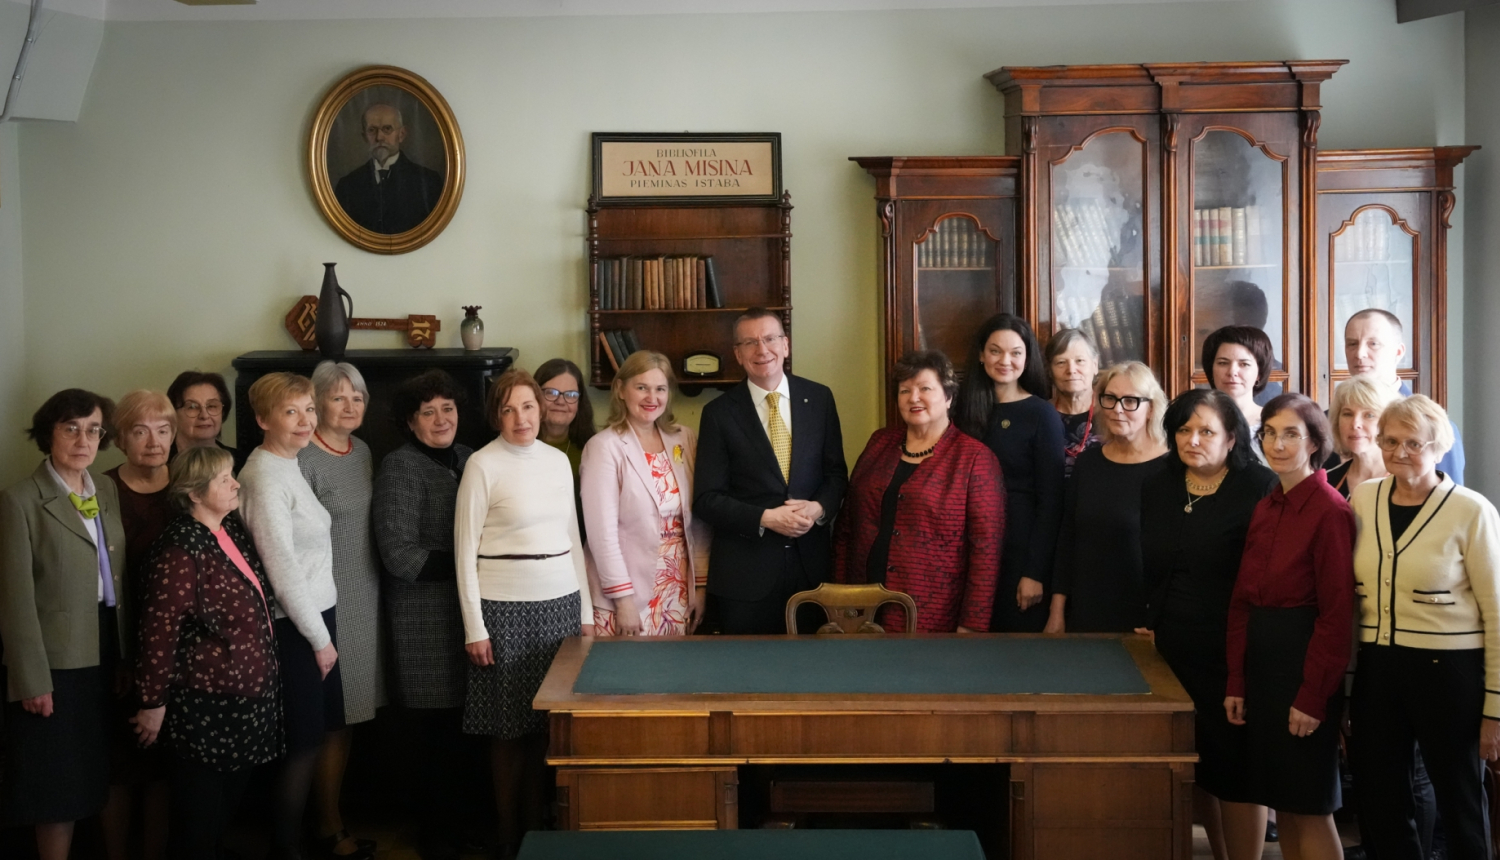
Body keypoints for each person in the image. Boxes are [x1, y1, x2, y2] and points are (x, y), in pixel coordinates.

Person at [1349, 395, 1500, 860]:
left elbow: (1497, 614)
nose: (1399, 452)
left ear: (1439, 447)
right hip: (1378, 667)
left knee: (1460, 798)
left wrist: (1495, 708)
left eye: (1414, 443)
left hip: (1449, 671)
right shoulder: (1364, 498)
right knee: (1380, 797)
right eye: (1390, 441)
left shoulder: (1471, 511)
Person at [455, 369, 593, 857]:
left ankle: (538, 827)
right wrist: (474, 627)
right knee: (508, 730)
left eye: (528, 407)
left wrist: (586, 612)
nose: (521, 418)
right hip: (503, 610)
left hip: (559, 606)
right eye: (509, 409)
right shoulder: (482, 465)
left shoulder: (557, 462)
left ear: (541, 409)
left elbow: (573, 538)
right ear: (497, 415)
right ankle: (507, 832)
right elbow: (463, 552)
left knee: (545, 728)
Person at [1140, 389, 1277, 860]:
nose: (1192, 440)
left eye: (1205, 431)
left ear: (1232, 438)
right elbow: (1151, 566)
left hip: (1234, 651)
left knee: (1236, 770)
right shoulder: (1158, 483)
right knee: (1195, 765)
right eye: (1183, 429)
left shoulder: (1258, 487)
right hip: (1171, 651)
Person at [132, 446, 281, 860]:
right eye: (223, 479)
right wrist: (152, 702)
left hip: (245, 700)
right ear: (195, 493)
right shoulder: (181, 548)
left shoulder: (228, 530)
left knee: (220, 816)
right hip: (205, 704)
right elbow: (159, 630)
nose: (235, 484)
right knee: (197, 824)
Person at [1224, 393, 1353, 860]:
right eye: (1270, 434)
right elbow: (1242, 601)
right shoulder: (1266, 506)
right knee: (1284, 802)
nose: (1277, 445)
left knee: (1310, 807)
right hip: (1263, 666)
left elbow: (1336, 615)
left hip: (1304, 665)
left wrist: (1313, 696)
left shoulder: (1330, 510)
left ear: (1315, 442)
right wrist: (1237, 680)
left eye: (1291, 434)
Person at [0, 390, 128, 860]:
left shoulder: (104, 490)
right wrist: (31, 679)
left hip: (104, 646)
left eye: (93, 430)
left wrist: (124, 656)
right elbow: (14, 601)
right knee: (55, 785)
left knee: (97, 772)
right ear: (48, 433)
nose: (83, 440)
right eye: (70, 428)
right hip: (54, 664)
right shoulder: (20, 500)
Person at [237, 372, 343, 860]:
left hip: (314, 619)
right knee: (301, 744)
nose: (305, 421)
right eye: (290, 412)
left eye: (309, 409)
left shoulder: (289, 464)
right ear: (263, 419)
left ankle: (295, 841)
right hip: (294, 626)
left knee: (314, 737)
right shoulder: (262, 477)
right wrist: (319, 640)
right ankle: (285, 848)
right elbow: (282, 570)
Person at [373, 370, 476, 860]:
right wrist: (471, 566)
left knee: (461, 732)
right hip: (423, 622)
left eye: (447, 409)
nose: (441, 419)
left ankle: (461, 826)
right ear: (410, 422)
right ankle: (434, 836)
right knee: (431, 735)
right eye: (428, 412)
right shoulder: (400, 466)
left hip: (468, 616)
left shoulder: (469, 458)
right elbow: (398, 553)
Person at [695, 308, 848, 634]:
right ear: (738, 354)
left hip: (811, 572)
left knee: (812, 663)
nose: (762, 350)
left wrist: (818, 507)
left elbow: (836, 475)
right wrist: (765, 518)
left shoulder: (819, 399)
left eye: (769, 339)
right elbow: (707, 499)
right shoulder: (718, 414)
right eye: (750, 342)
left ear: (785, 345)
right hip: (745, 576)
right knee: (749, 665)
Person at [832, 350, 1003, 633]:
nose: (914, 398)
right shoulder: (879, 443)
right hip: (861, 606)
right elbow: (846, 528)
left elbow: (986, 551)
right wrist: (840, 600)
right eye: (905, 390)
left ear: (948, 397)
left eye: (925, 388)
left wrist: (972, 625)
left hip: (933, 613)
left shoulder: (975, 459)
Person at [299, 361, 382, 860]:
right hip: (322, 601)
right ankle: (325, 828)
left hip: (363, 595)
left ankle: (332, 817)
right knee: (327, 719)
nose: (350, 406)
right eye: (338, 397)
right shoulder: (302, 456)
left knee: (348, 716)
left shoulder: (364, 451)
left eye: (358, 397)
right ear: (317, 404)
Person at [580, 351, 710, 636]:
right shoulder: (604, 447)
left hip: (677, 589)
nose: (652, 397)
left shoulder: (684, 438)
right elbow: (602, 535)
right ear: (621, 389)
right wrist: (622, 599)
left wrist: (700, 586)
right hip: (623, 595)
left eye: (660, 389)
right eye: (641, 387)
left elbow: (698, 520)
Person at [102, 390, 177, 860]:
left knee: (165, 767)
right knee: (120, 764)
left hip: (178, 648)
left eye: (163, 430)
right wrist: (123, 655)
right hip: (120, 644)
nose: (154, 442)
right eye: (140, 431)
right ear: (120, 439)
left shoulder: (187, 483)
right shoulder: (101, 490)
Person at [955, 313, 1064, 632]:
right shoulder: (961, 410)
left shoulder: (1041, 414)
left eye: (1016, 352)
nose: (1005, 361)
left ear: (1027, 358)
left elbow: (1051, 503)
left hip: (1019, 552)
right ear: (981, 354)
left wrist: (1034, 572)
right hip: (967, 550)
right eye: (995, 351)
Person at [1047, 362, 1169, 633]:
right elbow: (1067, 539)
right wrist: (1057, 611)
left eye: (1130, 401)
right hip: (1086, 608)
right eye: (1110, 398)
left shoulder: (1171, 468)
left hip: (1144, 616)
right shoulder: (1088, 463)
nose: (1117, 409)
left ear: (1151, 408)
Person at [1343, 308, 1464, 483]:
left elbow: (1449, 496)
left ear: (1398, 352)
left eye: (1373, 344)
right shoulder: (1328, 421)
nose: (1359, 353)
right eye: (1352, 344)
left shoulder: (1431, 424)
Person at [333, 103, 445, 235]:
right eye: (372, 130)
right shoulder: (347, 186)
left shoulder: (429, 181)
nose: (379, 137)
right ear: (364, 137)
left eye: (387, 129)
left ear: (401, 134)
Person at [535, 357, 597, 543]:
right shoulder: (518, 449)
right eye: (551, 393)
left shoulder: (593, 451)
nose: (561, 401)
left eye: (570, 395)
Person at [1326, 374, 1401, 499]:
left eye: (1369, 415)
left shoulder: (1407, 482)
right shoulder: (1326, 483)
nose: (1355, 424)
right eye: (1348, 414)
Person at [1046, 327, 1103, 477]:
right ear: (1050, 370)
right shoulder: (1040, 414)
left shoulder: (1113, 412)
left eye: (1080, 361)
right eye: (1061, 362)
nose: (1071, 370)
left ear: (1095, 365)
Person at [166, 370, 247, 474]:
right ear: (173, 413)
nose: (204, 415)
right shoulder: (160, 463)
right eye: (192, 407)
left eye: (212, 406)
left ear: (223, 412)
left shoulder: (241, 463)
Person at [1202, 325, 1275, 432]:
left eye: (1244, 364)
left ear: (1259, 373)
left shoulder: (1275, 423)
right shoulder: (1193, 422)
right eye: (1223, 363)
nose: (1232, 372)